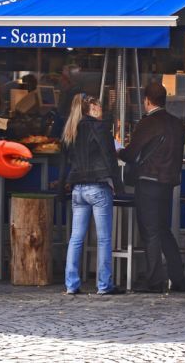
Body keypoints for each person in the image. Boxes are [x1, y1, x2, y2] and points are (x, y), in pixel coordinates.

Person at [118, 82, 185, 293]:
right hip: (168, 183)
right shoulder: (177, 124)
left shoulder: (148, 123)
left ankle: (154, 281)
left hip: (148, 181)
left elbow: (130, 154)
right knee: (164, 230)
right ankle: (178, 279)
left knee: (150, 232)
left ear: (147, 100)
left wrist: (117, 149)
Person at [59, 93, 124, 295]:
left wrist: (61, 187)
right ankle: (104, 285)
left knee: (76, 238)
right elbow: (110, 158)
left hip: (77, 188)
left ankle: (71, 284)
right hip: (98, 187)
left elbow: (63, 164)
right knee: (103, 239)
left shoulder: (71, 129)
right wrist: (118, 186)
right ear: (92, 108)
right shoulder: (100, 127)